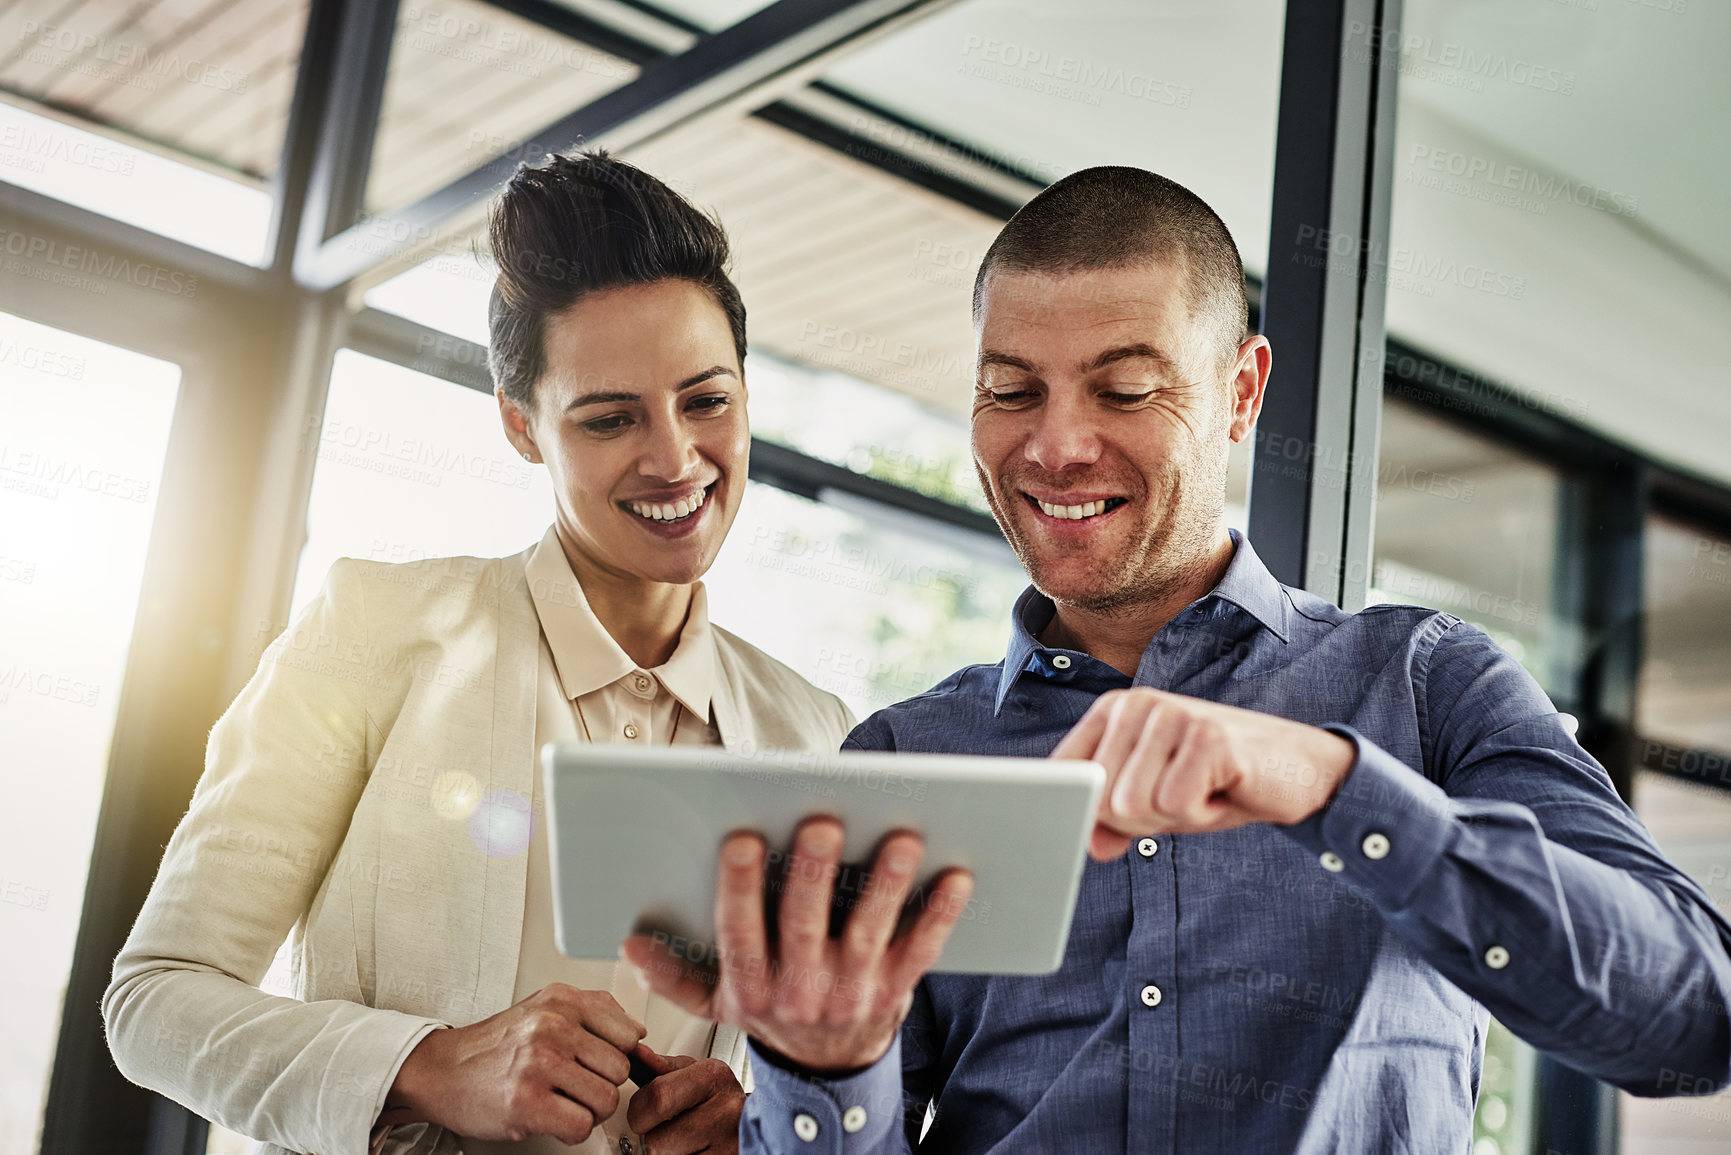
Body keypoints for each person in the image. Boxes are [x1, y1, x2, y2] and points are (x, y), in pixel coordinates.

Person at [626, 166, 1731, 1153]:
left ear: (1243, 394)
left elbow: (1693, 1020)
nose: (1055, 445)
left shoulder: (1426, 685)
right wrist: (823, 1071)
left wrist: (1329, 783)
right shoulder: (906, 755)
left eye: (1124, 389)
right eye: (1012, 390)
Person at [103, 151, 854, 1155]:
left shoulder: (816, 733)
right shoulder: (375, 632)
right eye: (608, 418)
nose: (675, 458)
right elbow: (155, 1002)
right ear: (521, 428)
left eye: (707, 401)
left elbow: (818, 1062)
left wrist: (755, 1127)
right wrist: (426, 1065)